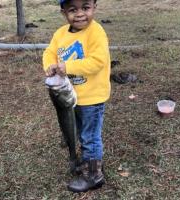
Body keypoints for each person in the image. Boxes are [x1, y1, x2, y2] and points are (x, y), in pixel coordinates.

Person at [42, 0, 111, 193]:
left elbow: (98, 61)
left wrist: (68, 67)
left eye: (86, 8)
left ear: (94, 8)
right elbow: (50, 52)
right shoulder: (60, 34)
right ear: (64, 12)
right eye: (73, 9)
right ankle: (91, 163)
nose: (80, 14)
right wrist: (49, 65)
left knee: (90, 137)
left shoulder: (96, 32)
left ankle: (94, 176)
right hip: (73, 98)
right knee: (81, 133)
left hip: (92, 98)